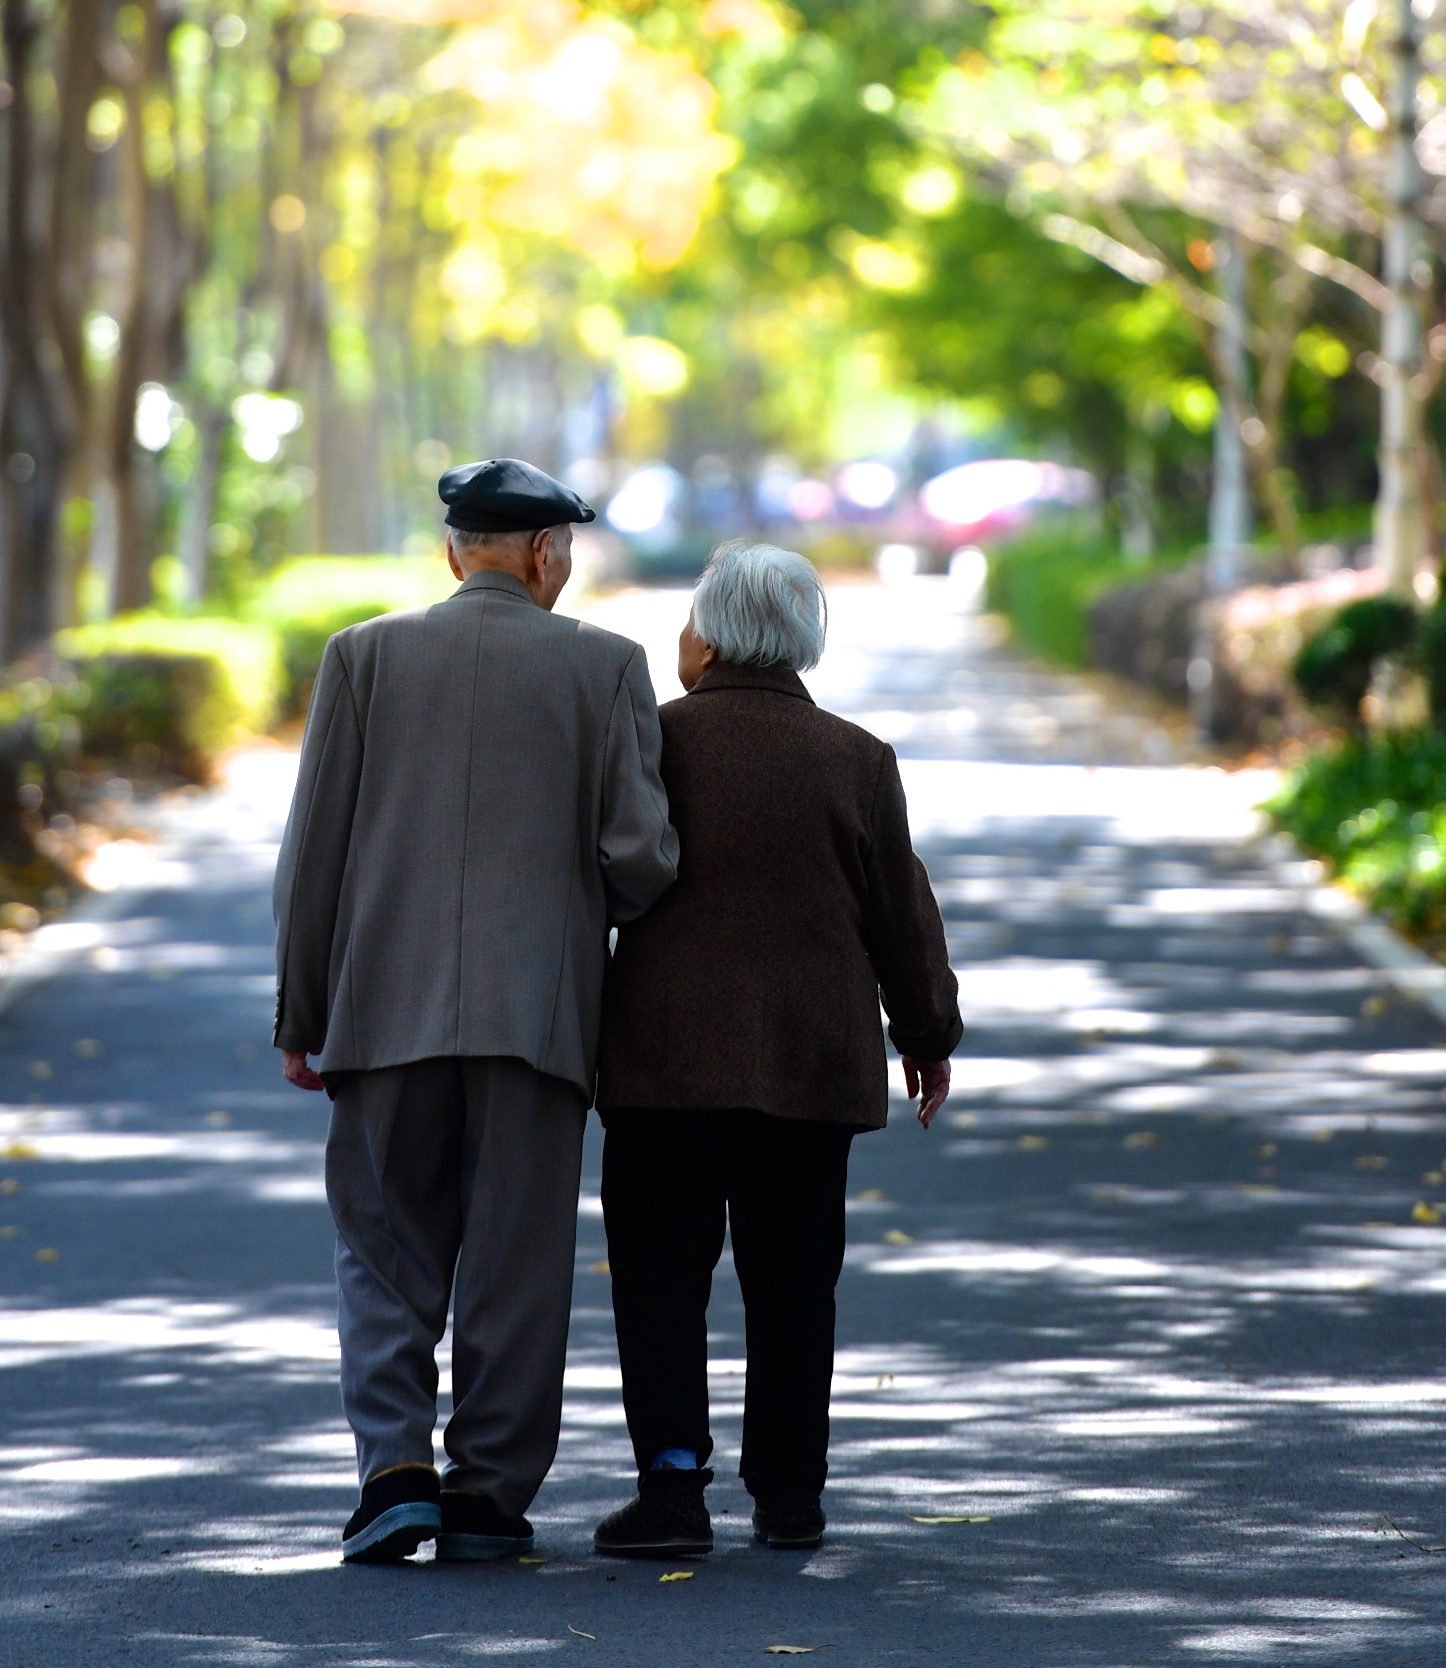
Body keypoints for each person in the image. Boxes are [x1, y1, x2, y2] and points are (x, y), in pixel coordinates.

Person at [273, 456, 678, 1566]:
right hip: (534, 1019)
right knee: (514, 1258)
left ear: (454, 552)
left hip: (378, 1012)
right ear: (548, 555)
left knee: (383, 1247)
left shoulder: (361, 657)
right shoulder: (602, 666)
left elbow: (314, 855)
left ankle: (393, 1469)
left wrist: (300, 1010)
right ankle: (488, 1494)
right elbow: (638, 859)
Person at [592, 539, 961, 1560]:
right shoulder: (854, 758)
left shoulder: (651, 743)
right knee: (794, 1282)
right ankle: (788, 1493)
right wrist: (926, 1034)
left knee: (659, 1279)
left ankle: (671, 1489)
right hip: (809, 1062)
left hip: (661, 1063)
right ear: (801, 640)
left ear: (705, 635)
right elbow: (900, 914)